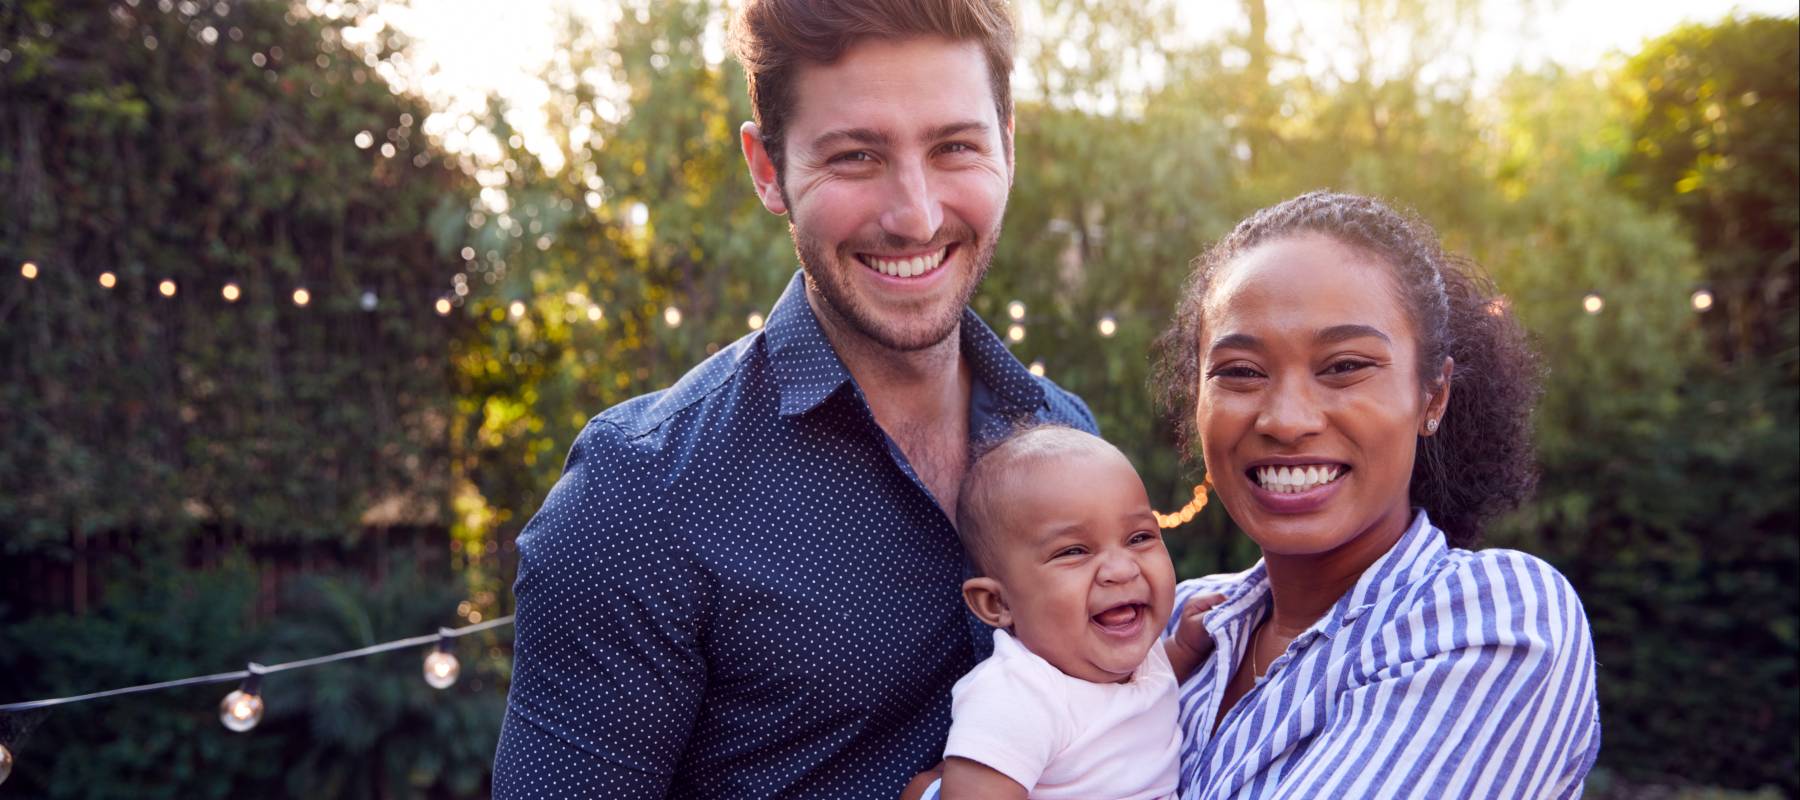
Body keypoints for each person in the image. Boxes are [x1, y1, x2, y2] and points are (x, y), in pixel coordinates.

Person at [490, 1, 1099, 797]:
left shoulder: (1063, 433)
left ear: (1008, 144)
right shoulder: (636, 499)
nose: (915, 214)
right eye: (855, 156)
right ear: (767, 168)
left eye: (955, 146)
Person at [1151, 190, 1601, 798]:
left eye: (1343, 366)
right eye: (1240, 372)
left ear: (1432, 395)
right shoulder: (1168, 621)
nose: (1286, 419)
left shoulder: (1498, 619)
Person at [905, 425, 1225, 800]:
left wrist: (1185, 648)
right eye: (1073, 551)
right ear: (999, 603)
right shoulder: (1019, 696)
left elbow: (1148, 685)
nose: (1122, 569)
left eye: (1139, 538)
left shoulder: (1141, 653)